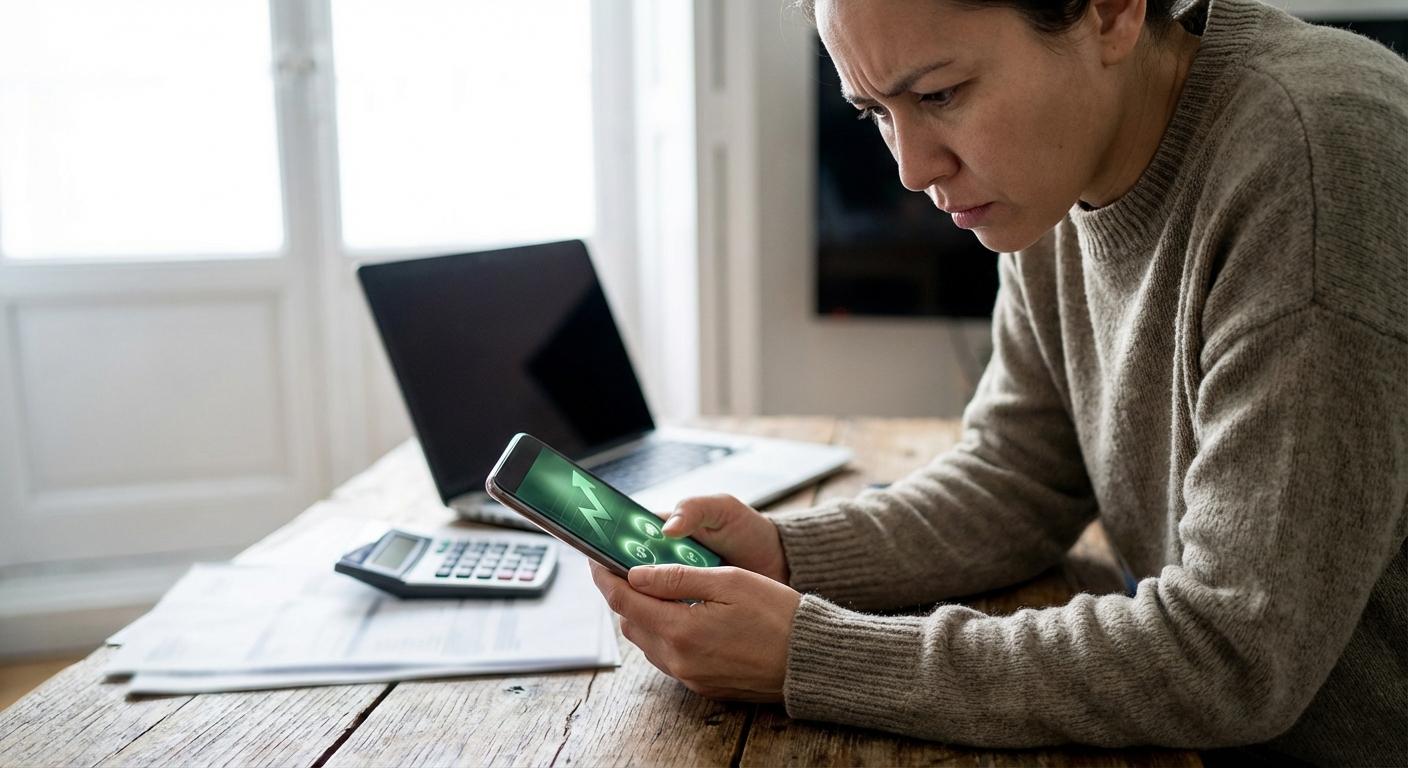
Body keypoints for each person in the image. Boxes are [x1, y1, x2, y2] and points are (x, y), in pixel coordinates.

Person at [589, 0, 1408, 763]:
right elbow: (1019, 476)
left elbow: (1234, 655)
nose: (911, 170)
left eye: (939, 94)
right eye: (875, 112)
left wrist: (811, 655)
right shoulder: (1059, 172)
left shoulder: (1318, 159)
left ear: (1112, 11)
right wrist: (785, 554)